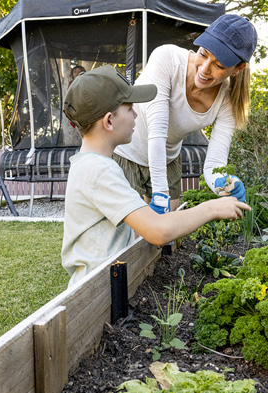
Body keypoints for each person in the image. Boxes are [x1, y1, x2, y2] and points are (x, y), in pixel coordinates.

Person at [62, 65, 251, 286]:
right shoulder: (99, 170)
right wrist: (213, 208)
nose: (136, 114)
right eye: (130, 108)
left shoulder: (91, 164)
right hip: (95, 290)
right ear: (109, 121)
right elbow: (158, 232)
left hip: (103, 281)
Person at [112, 14, 258, 214]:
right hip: (127, 151)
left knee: (163, 240)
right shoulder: (167, 59)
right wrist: (161, 194)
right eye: (203, 54)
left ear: (237, 69)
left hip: (168, 160)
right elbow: (158, 132)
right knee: (129, 238)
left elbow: (215, 165)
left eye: (219, 65)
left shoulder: (227, 100)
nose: (204, 69)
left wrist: (226, 184)